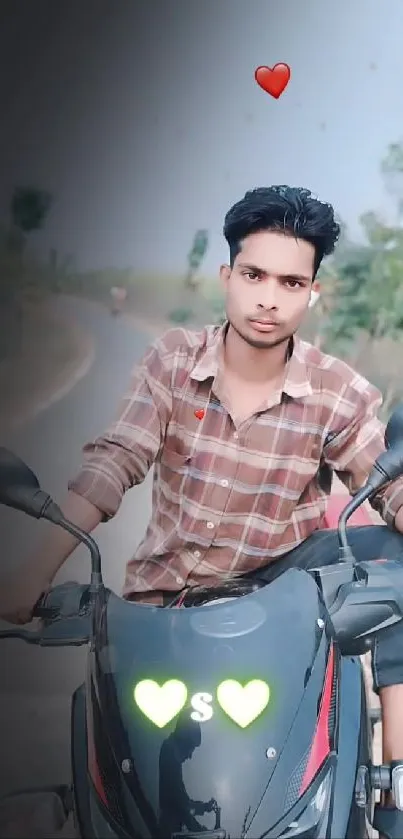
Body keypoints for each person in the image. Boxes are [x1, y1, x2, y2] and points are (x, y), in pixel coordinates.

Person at [2, 185, 403, 832]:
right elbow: (116, 459)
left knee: (390, 559)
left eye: (289, 281)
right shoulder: (172, 360)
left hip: (282, 609)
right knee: (144, 796)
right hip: (164, 611)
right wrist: (33, 572)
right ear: (227, 276)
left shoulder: (337, 390)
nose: (268, 297)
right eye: (253, 275)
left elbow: (388, 486)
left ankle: (394, 788)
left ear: (311, 292)